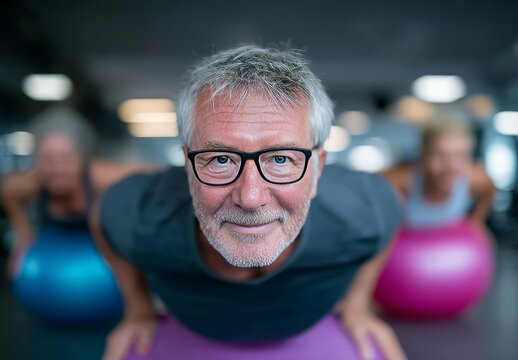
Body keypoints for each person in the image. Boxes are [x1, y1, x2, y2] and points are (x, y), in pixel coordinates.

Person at [92, 45, 406, 360]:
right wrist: (138, 309)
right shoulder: (146, 215)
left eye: (281, 159)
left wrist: (357, 304)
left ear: (316, 169)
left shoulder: (360, 211)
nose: (251, 198)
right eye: (221, 159)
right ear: (188, 168)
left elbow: (389, 210)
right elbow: (100, 216)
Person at [2, 128, 158, 277]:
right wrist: (24, 234)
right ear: (37, 164)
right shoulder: (35, 182)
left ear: (81, 162)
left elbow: (154, 176)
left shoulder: (99, 177)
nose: (57, 169)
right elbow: (7, 190)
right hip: (57, 254)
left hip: (102, 254)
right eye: (48, 160)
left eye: (66, 159)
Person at [382, 116, 495, 230]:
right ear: (423, 156)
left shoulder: (476, 178)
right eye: (440, 156)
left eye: (460, 155)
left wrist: (476, 221)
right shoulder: (401, 181)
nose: (451, 167)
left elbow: (489, 191)